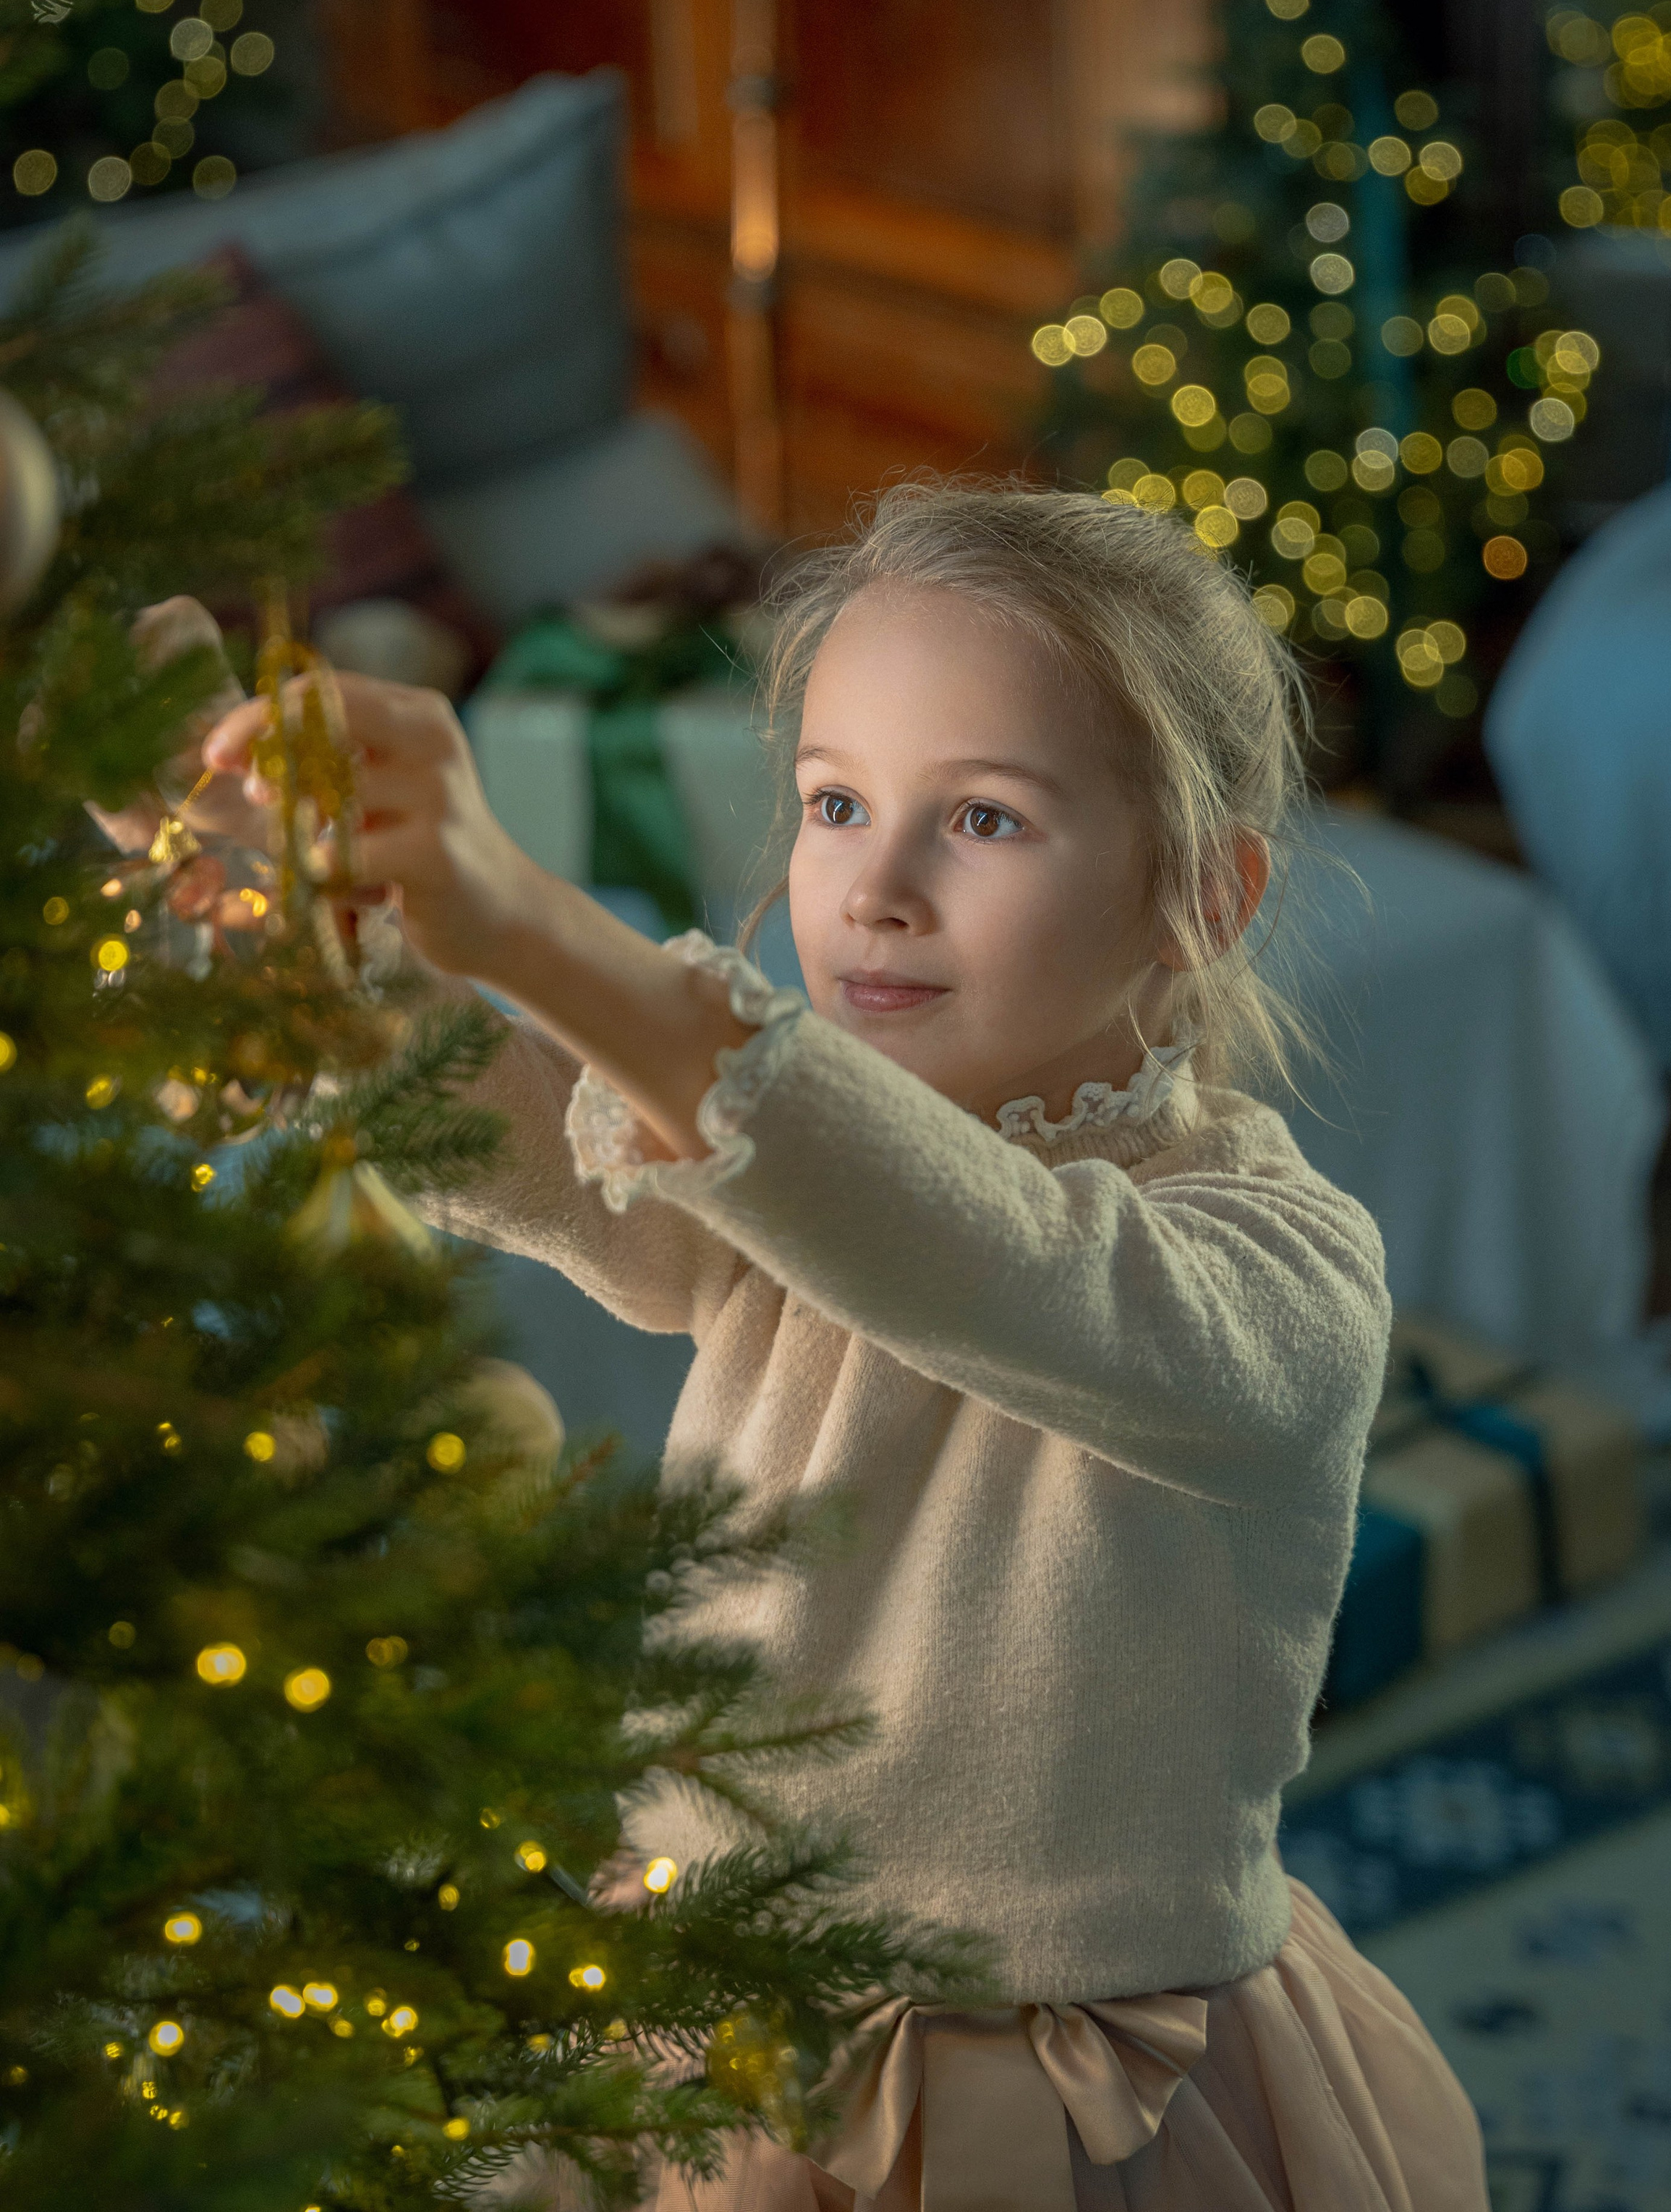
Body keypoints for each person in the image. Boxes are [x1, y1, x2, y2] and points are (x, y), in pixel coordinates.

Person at [195, 481, 1490, 2211]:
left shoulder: (1274, 1278)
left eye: (984, 820)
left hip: (1061, 2117)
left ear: (1202, 892)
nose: (874, 889)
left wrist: (527, 919)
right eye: (833, 803)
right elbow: (524, 1126)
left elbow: (985, 1253)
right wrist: (310, 928)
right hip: (706, 2017)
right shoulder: (778, 1176)